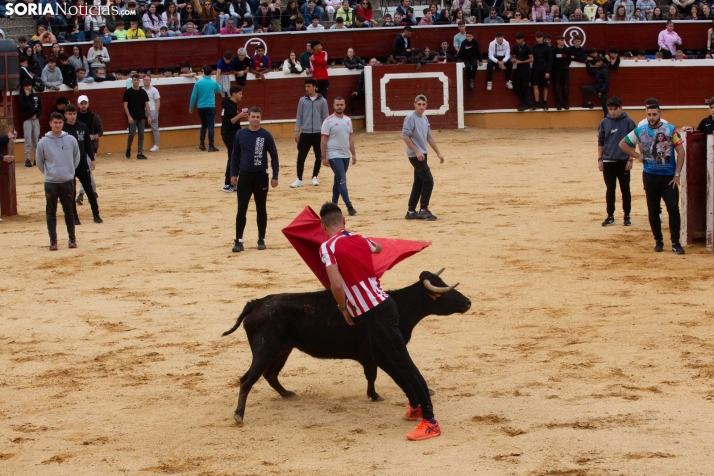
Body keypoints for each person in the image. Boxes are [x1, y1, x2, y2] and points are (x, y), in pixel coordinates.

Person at [317, 201, 440, 441]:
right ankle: (415, 404)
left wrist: (343, 308)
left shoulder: (327, 248)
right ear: (343, 221)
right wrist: (353, 241)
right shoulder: (359, 238)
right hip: (382, 306)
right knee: (379, 356)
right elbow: (379, 249)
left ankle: (430, 421)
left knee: (404, 363)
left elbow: (336, 284)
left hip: (375, 311)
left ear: (323, 227)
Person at [619, 103, 685, 254]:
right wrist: (638, 156)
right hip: (650, 176)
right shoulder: (641, 130)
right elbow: (622, 144)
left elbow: (680, 151)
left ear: (660, 114)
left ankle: (675, 242)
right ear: (646, 115)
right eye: (649, 115)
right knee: (653, 209)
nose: (652, 117)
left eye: (654, 114)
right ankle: (658, 241)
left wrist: (677, 174)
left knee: (673, 208)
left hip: (669, 177)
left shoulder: (670, 129)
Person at [229, 107, 279, 252]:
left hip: (261, 176)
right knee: (241, 208)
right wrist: (233, 174)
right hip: (244, 176)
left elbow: (274, 155)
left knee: (261, 208)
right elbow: (235, 156)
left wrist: (275, 176)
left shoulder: (266, 135)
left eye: (258, 117)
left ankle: (261, 239)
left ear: (260, 118)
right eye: (253, 116)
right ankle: (238, 240)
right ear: (248, 117)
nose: (255, 119)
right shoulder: (240, 134)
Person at [36, 112, 81, 251]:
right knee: (51, 213)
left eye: (60, 123)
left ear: (63, 123)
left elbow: (76, 158)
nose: (57, 125)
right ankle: (53, 241)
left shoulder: (71, 140)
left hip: (67, 181)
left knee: (69, 212)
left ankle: (72, 239)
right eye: (55, 122)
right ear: (50, 123)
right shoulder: (43, 142)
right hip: (51, 182)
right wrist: (50, 173)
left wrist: (69, 171)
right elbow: (39, 162)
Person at [403, 95, 444, 221]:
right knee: (428, 180)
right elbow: (405, 136)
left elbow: (429, 136)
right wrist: (416, 151)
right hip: (415, 155)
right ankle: (423, 209)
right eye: (419, 104)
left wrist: (438, 152)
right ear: (414, 104)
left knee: (419, 182)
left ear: (426, 105)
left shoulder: (424, 118)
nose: (421, 107)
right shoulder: (410, 118)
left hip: (422, 154)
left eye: (423, 104)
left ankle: (411, 211)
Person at [597, 97, 636, 227]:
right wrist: (599, 159)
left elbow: (633, 142)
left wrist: (630, 159)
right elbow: (600, 142)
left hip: (623, 160)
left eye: (615, 109)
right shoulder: (604, 123)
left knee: (625, 189)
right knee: (610, 189)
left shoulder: (629, 122)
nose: (613, 112)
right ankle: (610, 215)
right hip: (608, 160)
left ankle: (627, 215)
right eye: (610, 109)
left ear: (621, 108)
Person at [63, 105, 103, 225]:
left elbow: (88, 144)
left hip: (81, 164)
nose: (72, 116)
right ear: (65, 115)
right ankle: (74, 216)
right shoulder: (63, 129)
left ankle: (96, 214)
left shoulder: (82, 127)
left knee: (89, 190)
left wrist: (92, 159)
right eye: (69, 114)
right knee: (71, 192)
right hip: (68, 166)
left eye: (74, 113)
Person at [321, 96, 357, 216]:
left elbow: (350, 139)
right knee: (342, 180)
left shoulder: (348, 120)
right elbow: (323, 140)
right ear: (333, 106)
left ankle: (333, 206)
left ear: (345, 105)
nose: (339, 107)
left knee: (338, 180)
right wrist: (324, 156)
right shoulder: (328, 121)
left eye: (341, 105)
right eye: (337, 105)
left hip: (345, 154)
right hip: (333, 155)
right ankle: (349, 206)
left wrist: (354, 154)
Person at [291, 78, 329, 188]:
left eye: (308, 86)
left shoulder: (323, 101)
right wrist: (297, 132)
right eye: (305, 86)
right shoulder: (302, 100)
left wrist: (326, 134)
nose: (306, 89)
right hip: (306, 133)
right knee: (301, 156)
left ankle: (314, 177)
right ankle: (299, 179)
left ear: (314, 87)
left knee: (319, 156)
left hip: (318, 133)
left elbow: (326, 119)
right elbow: (299, 117)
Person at [221, 85, 249, 192]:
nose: (241, 95)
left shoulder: (230, 104)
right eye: (240, 93)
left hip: (230, 134)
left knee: (234, 157)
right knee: (233, 158)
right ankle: (229, 184)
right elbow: (229, 122)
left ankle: (230, 183)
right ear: (234, 94)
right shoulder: (229, 106)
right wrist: (240, 115)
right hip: (230, 134)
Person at [76, 95, 103, 205]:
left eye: (85, 103)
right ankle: (94, 191)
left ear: (88, 104)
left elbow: (100, 132)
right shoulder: (75, 117)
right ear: (78, 105)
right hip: (77, 148)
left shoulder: (94, 117)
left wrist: (94, 136)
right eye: (81, 103)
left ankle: (81, 193)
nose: (83, 105)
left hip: (91, 147)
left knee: (86, 171)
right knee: (87, 171)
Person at [189, 65, 223, 152]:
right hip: (210, 106)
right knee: (211, 126)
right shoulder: (213, 83)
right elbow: (219, 91)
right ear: (211, 73)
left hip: (200, 106)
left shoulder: (198, 83)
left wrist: (191, 106)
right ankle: (211, 146)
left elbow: (193, 96)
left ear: (203, 72)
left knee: (204, 125)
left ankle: (202, 144)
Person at [123, 74, 151, 160]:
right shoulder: (128, 92)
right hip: (132, 116)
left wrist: (148, 116)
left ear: (139, 81)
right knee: (131, 134)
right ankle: (128, 149)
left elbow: (146, 104)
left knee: (141, 134)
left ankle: (140, 153)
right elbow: (125, 105)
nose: (136, 81)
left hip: (141, 116)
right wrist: (129, 116)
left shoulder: (143, 92)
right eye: (134, 80)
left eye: (137, 80)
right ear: (132, 81)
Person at [19, 80, 41, 168]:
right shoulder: (22, 97)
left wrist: (36, 115)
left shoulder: (36, 96)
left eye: (29, 86)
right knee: (28, 140)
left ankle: (36, 159)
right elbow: (24, 107)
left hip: (35, 120)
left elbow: (40, 108)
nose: (28, 88)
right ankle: (27, 159)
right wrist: (27, 97)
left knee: (36, 140)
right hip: (27, 120)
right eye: (26, 86)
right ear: (23, 88)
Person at [511, 31, 534, 112]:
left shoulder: (527, 47)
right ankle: (527, 102)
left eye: (519, 39)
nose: (517, 41)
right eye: (516, 39)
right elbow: (514, 57)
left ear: (523, 39)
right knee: (515, 84)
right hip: (519, 67)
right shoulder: (515, 47)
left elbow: (531, 59)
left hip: (525, 68)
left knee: (525, 86)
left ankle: (526, 103)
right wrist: (514, 60)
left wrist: (522, 61)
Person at [530, 31, 552, 110]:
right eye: (537, 38)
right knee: (535, 86)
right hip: (536, 69)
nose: (538, 39)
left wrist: (548, 71)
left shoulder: (547, 47)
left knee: (545, 86)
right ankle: (537, 103)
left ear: (543, 38)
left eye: (539, 38)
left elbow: (550, 60)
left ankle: (545, 103)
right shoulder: (534, 46)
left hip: (544, 70)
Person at [551, 35, 571, 110]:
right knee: (557, 88)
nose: (563, 42)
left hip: (565, 71)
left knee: (565, 88)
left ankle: (565, 104)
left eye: (563, 40)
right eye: (561, 40)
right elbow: (552, 60)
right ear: (558, 41)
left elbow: (569, 60)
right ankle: (558, 104)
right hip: (556, 71)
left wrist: (565, 66)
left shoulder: (567, 49)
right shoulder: (554, 50)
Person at [142, 76, 161, 152]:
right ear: (143, 81)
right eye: (145, 80)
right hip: (143, 110)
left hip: (153, 110)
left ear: (150, 81)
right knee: (140, 127)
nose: (146, 81)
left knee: (155, 128)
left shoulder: (154, 90)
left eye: (148, 80)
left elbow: (158, 101)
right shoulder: (141, 90)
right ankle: (142, 145)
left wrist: (156, 110)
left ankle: (156, 145)